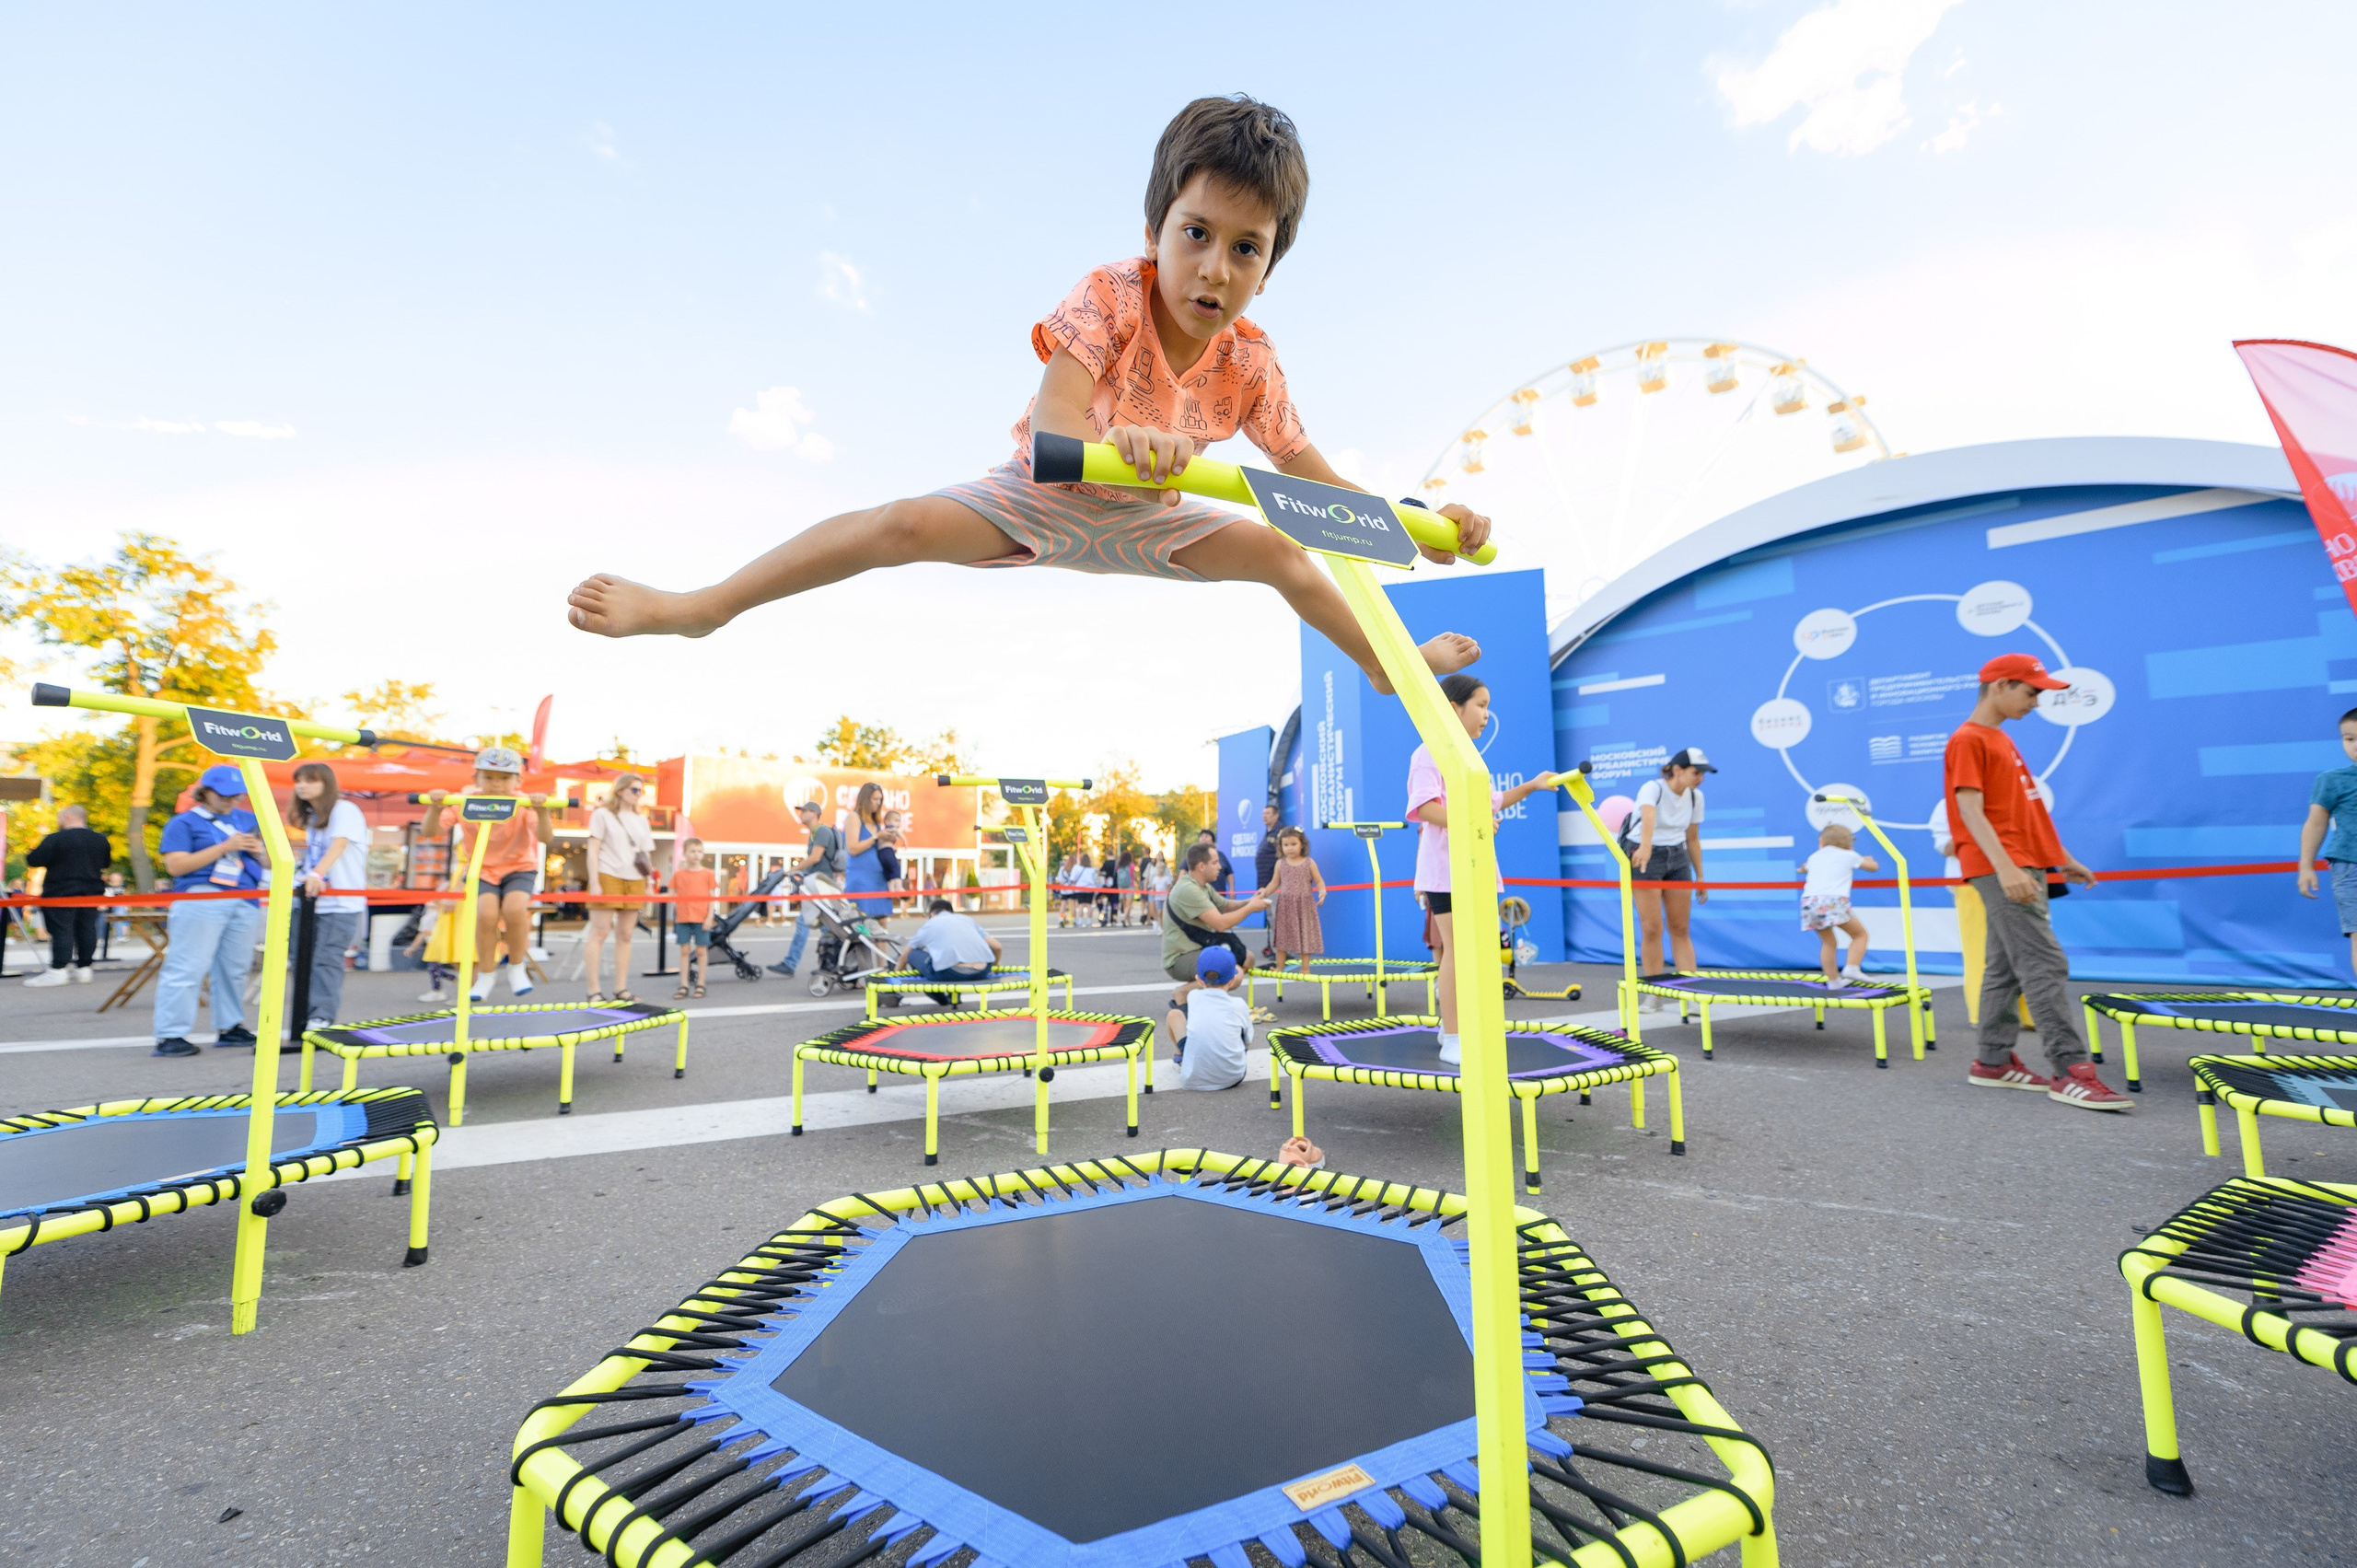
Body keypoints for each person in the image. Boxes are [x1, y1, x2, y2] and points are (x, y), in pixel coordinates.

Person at [567, 96, 1489, 698]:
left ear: (1269, 265)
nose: (1213, 268)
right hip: (1045, 493)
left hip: (1162, 521)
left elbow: (1311, 482)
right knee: (896, 526)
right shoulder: (1110, 294)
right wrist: (1120, 433)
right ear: (1154, 228)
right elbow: (1056, 418)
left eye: (1245, 248)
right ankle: (701, 606)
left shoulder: (1251, 360)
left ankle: (1383, 667)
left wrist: (1416, 527)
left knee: (1288, 556)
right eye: (1196, 233)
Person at [1945, 653, 2129, 1111]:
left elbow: (2024, 813)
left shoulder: (1999, 739)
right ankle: (2070, 1071)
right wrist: (2006, 868)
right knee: (2043, 962)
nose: (2037, 702)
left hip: (2021, 861)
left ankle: (1992, 1060)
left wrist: (2062, 860)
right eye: (2032, 692)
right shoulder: (1969, 739)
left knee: (2005, 965)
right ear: (2000, 686)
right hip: (2003, 864)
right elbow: (1970, 811)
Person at [1409, 675, 1559, 1065]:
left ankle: (1453, 1026)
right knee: (1456, 952)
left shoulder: (1469, 759)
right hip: (1447, 871)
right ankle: (1453, 1035)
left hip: (1475, 869)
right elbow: (1425, 809)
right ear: (1454, 707)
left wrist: (1532, 785)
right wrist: (1469, 820)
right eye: (1480, 704)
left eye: (1488, 706)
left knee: (1474, 953)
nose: (1486, 715)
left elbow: (1492, 803)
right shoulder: (1429, 753)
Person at [418, 749, 555, 1005]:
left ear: (518, 782)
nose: (497, 784)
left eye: (505, 779)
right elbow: (430, 830)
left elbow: (545, 837)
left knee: (515, 910)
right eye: (489, 777)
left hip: (518, 867)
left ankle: (516, 966)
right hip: (482, 869)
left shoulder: (523, 803)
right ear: (476, 778)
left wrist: (543, 810)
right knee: (486, 914)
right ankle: (486, 974)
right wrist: (436, 808)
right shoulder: (465, 800)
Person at [151, 765, 266, 1056]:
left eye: (236, 795)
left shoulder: (249, 819)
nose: (230, 801)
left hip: (246, 897)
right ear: (205, 792)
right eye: (224, 795)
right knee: (188, 964)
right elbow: (176, 866)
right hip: (202, 895)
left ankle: (230, 1027)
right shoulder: (183, 823)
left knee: (235, 968)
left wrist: (258, 851)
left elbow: (269, 863)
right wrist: (225, 846)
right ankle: (170, 1034)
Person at [1627, 748, 1714, 999]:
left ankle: (1692, 995)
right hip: (1646, 855)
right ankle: (1654, 994)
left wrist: (1700, 877)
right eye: (1696, 772)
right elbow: (1648, 818)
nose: (1701, 778)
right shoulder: (1652, 788)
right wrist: (1644, 847)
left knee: (1680, 927)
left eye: (1703, 774)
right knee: (1652, 928)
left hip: (1678, 856)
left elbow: (1693, 838)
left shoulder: (1696, 797)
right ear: (1677, 770)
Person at [288, 762, 368, 1026]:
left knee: (326, 960)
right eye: (299, 780)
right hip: (312, 900)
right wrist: (306, 875)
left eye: (310, 780)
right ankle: (305, 1014)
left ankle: (322, 1016)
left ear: (327, 784)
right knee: (300, 958)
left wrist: (317, 874)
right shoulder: (314, 817)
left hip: (341, 902)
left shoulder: (345, 809)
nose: (302, 785)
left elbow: (340, 844)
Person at [1161, 842, 1270, 1008]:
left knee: (1248, 958)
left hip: (1198, 948)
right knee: (1235, 974)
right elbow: (1221, 924)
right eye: (1215, 862)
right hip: (1181, 958)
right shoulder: (1188, 889)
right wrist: (1251, 908)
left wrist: (1252, 900)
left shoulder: (1202, 886)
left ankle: (1204, 998)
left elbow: (1225, 906)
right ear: (1201, 866)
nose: (1220, 867)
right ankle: (1184, 992)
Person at [583, 772, 655, 1004]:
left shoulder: (641, 819)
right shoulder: (602, 814)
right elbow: (593, 849)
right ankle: (593, 990)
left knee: (626, 934)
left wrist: (650, 882)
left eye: (641, 791)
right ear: (621, 790)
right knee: (599, 933)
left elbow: (646, 853)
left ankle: (621, 988)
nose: (638, 795)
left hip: (635, 878)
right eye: (634, 790)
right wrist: (594, 882)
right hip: (608, 874)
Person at [2297, 707, 2357, 980]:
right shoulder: (2332, 780)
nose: (2355, 746)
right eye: (2349, 739)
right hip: (2350, 866)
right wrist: (2306, 866)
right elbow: (2315, 823)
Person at [21, 804, 110, 986]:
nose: (58, 821)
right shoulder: (100, 840)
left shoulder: (56, 839)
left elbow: (34, 860)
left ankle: (58, 969)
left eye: (59, 817)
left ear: (67, 816)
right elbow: (106, 863)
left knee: (62, 930)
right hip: (91, 891)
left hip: (60, 891)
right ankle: (84, 968)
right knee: (87, 928)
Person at [772, 798, 845, 977]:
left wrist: (792, 870)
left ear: (813, 813)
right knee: (825, 926)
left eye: (803, 811)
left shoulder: (821, 831)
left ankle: (794, 963)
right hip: (817, 883)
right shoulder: (816, 832)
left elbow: (815, 858)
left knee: (810, 923)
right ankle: (830, 963)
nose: (800, 814)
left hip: (819, 884)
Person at [1800, 823, 1876, 986]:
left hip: (1810, 902)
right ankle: (1852, 967)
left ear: (1822, 841)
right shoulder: (1849, 855)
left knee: (1828, 943)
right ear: (1849, 843)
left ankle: (1833, 981)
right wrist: (1867, 860)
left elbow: (1805, 868)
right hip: (1833, 901)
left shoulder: (1814, 856)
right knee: (1860, 935)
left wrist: (1801, 870)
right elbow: (1873, 868)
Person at [1167, 946, 1252, 1090]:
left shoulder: (1193, 996)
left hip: (1191, 1079)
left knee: (1173, 1015)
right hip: (1234, 1077)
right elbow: (1247, 1041)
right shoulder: (1239, 1004)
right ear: (1232, 981)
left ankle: (1180, 1057)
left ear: (1199, 980)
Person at [903, 896, 1004, 1005]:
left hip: (951, 974)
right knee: (956, 956)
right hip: (983, 971)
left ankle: (942, 1000)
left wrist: (897, 974)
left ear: (932, 914)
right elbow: (997, 946)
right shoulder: (967, 919)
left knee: (914, 954)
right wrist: (996, 964)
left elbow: (906, 954)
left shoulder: (931, 924)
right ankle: (955, 997)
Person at [1266, 825, 1327, 977]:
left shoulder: (1309, 863)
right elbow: (1274, 883)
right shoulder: (1280, 863)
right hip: (1285, 905)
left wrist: (1322, 892)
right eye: (1286, 845)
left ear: (1302, 845)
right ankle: (1280, 966)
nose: (1290, 848)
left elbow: (1319, 881)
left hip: (1304, 905)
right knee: (1282, 937)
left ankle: (1305, 968)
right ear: (1281, 846)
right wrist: (1264, 893)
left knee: (1304, 935)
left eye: (1293, 844)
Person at [670, 837, 718, 1000]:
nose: (696, 855)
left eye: (699, 851)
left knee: (701, 950)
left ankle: (701, 984)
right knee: (684, 951)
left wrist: (709, 917)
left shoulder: (708, 874)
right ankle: (683, 984)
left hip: (701, 917)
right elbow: (670, 894)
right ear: (684, 853)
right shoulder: (679, 875)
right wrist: (650, 895)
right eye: (692, 851)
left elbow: (712, 898)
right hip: (683, 917)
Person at [841, 783, 893, 922]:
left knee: (882, 922)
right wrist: (876, 837)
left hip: (878, 878)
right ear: (865, 799)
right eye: (875, 799)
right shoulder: (854, 817)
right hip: (861, 878)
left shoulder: (876, 823)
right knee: (863, 923)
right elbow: (853, 848)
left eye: (880, 799)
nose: (878, 803)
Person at [1253, 802, 1283, 961]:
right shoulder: (1268, 833)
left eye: (1268, 814)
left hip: (1276, 884)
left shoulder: (1281, 831)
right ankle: (1275, 948)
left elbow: (1284, 856)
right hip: (1265, 884)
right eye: (1263, 813)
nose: (1264, 816)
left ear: (1276, 815)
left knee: (1278, 917)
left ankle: (1283, 952)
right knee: (1271, 917)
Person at [1193, 829, 1235, 894]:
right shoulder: (1194, 855)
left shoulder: (1221, 855)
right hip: (1199, 895)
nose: (1204, 838)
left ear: (1212, 841)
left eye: (1206, 836)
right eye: (1201, 837)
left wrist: (1232, 890)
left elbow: (1229, 873)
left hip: (1219, 894)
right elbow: (1183, 871)